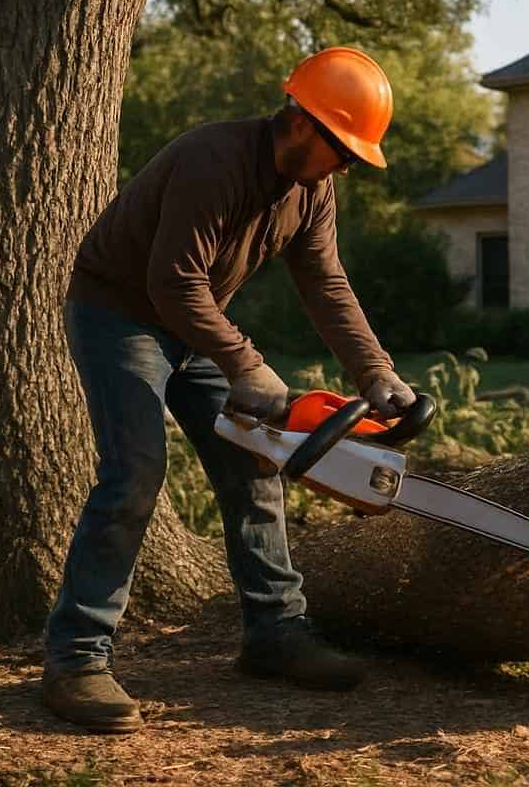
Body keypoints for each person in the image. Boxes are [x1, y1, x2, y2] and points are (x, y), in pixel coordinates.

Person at [41, 46, 416, 733]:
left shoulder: (312, 189)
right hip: (119, 314)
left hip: (195, 325)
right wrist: (247, 363)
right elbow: (171, 282)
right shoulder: (214, 160)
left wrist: (377, 372)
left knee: (254, 461)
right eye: (342, 151)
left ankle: (274, 632)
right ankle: (76, 659)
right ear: (302, 122)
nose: (345, 167)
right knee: (134, 473)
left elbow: (326, 285)